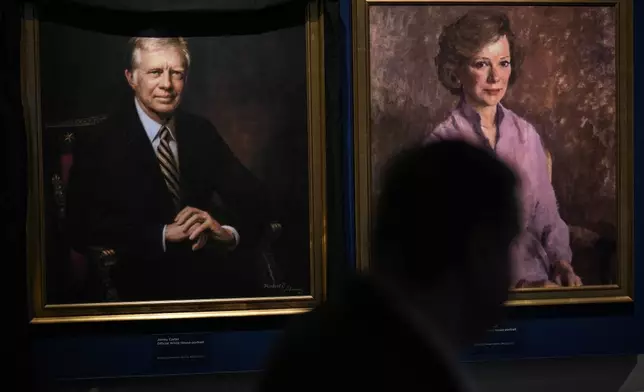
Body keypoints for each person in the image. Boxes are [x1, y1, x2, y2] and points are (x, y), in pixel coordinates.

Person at [258, 141, 521, 391]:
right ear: (480, 249)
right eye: (507, 245)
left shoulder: (323, 341)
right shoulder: (395, 372)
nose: (511, 274)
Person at [65, 36, 273, 301]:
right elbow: (78, 227)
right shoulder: (100, 141)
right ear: (131, 78)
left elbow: (258, 199)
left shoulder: (200, 131)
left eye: (177, 74)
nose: (167, 85)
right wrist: (162, 234)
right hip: (132, 283)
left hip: (207, 277)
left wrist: (225, 232)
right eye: (155, 72)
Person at [427, 9, 582, 289]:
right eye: (481, 64)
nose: (495, 77)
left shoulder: (526, 135)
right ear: (456, 70)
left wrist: (562, 264)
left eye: (504, 63)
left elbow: (548, 217)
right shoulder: (441, 144)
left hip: (540, 282)